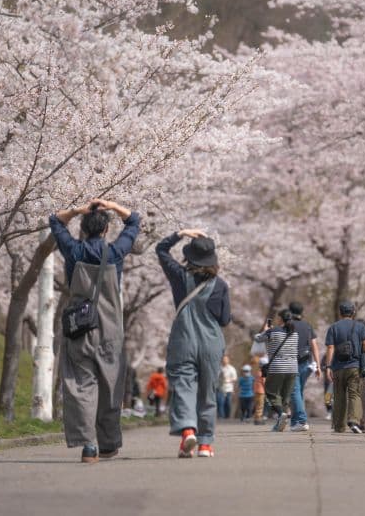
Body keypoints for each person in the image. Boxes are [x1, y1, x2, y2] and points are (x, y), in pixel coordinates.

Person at [51, 197, 141, 463]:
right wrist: (112, 205)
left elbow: (55, 221)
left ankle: (89, 445)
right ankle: (108, 444)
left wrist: (77, 210)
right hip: (110, 331)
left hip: (80, 329)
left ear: (83, 229)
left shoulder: (73, 251)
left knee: (81, 386)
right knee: (111, 386)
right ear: (106, 230)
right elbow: (134, 221)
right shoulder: (115, 252)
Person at [158, 229, 231, 459]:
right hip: (211, 343)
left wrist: (180, 234)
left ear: (189, 257)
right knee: (207, 392)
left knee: (183, 387)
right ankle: (205, 444)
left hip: (184, 340)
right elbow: (225, 319)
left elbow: (161, 249)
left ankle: (188, 430)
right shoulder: (221, 285)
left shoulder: (179, 276)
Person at [323, 301, 365, 434]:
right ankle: (354, 421)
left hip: (338, 367)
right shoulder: (360, 326)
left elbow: (330, 347)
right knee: (355, 394)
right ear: (353, 312)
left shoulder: (333, 327)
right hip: (355, 366)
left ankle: (339, 426)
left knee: (339, 396)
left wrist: (328, 366)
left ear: (340, 313)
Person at [255, 309, 300, 432]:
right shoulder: (295, 333)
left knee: (271, 393)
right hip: (292, 368)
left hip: (277, 367)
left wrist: (265, 330)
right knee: (285, 397)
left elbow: (258, 339)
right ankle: (280, 423)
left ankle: (281, 414)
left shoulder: (273, 331)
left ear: (280, 318)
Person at [288, 301, 322, 433]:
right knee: (298, 391)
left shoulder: (288, 325)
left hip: (292, 362)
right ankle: (295, 421)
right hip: (307, 363)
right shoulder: (307, 326)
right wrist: (318, 366)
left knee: (294, 391)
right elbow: (314, 346)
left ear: (290, 311)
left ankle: (301, 421)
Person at [217, 355, 238, 420]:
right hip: (220, 388)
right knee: (220, 403)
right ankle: (221, 416)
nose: (224, 360)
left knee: (228, 403)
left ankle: (227, 417)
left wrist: (228, 381)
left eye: (226, 359)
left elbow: (235, 378)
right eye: (223, 359)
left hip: (229, 388)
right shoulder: (219, 368)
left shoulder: (231, 368)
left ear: (228, 360)